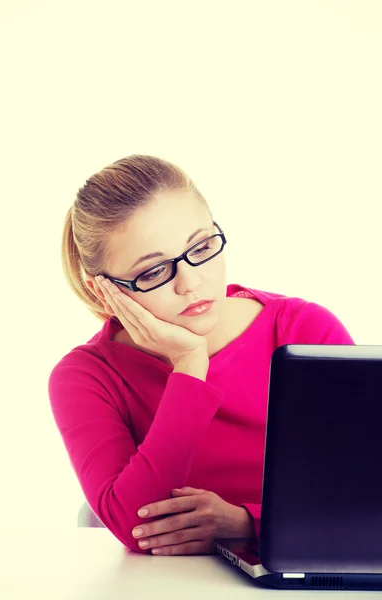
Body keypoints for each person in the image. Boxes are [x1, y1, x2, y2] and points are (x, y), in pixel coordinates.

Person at [48, 154, 355, 556]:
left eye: (202, 246)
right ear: (100, 289)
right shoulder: (86, 375)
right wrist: (190, 366)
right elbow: (136, 526)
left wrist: (247, 522)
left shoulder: (302, 331)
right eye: (154, 272)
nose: (191, 282)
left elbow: (364, 493)